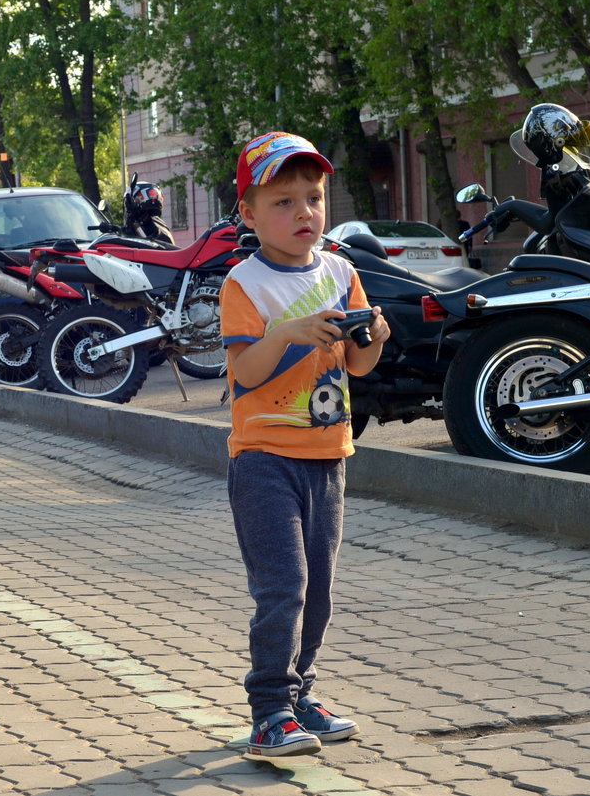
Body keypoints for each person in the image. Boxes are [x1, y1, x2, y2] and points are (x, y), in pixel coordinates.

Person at [219, 131, 391, 758]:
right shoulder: (246, 282)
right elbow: (247, 372)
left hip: (328, 456)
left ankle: (300, 698)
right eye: (283, 202)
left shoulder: (343, 272)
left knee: (318, 588)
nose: (304, 214)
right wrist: (289, 332)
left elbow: (361, 366)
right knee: (283, 586)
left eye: (313, 198)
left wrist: (373, 336)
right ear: (250, 213)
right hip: (263, 459)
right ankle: (269, 710)